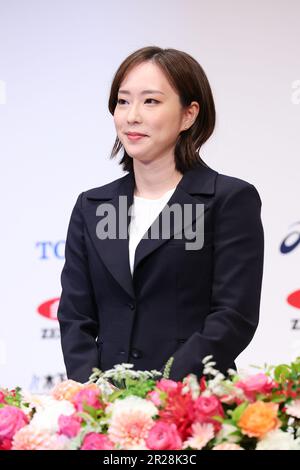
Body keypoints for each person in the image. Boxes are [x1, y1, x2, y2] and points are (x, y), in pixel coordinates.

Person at [57, 46, 264, 384]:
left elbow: (233, 316)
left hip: (192, 407)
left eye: (150, 101)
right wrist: (94, 393)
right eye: (123, 101)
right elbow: (75, 316)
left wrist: (163, 387)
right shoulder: (92, 206)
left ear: (189, 114)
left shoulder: (227, 199)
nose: (132, 116)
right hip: (105, 414)